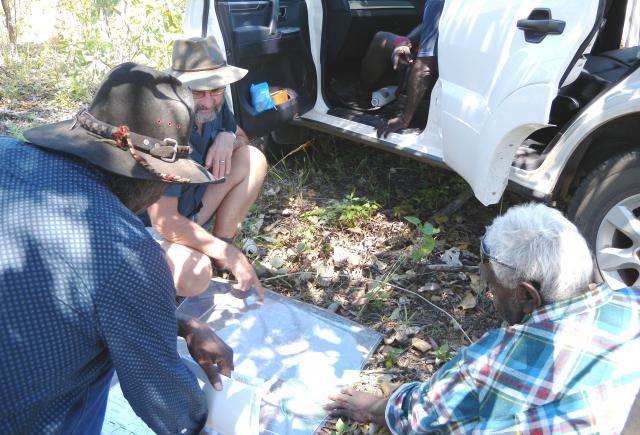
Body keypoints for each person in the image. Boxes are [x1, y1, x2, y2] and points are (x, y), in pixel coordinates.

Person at [0, 63, 235, 433]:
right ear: (151, 177)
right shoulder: (126, 254)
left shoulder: (5, 153)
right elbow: (169, 407)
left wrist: (176, 323)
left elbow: (47, 298)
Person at [325, 203, 640, 433]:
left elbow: (421, 417)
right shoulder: (633, 305)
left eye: (492, 285)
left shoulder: (491, 361)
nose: (489, 294)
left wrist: (372, 407)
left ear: (527, 295)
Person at [140, 36, 268, 298]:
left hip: (192, 208)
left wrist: (227, 137)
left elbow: (242, 138)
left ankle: (219, 249)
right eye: (198, 92)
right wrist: (231, 254)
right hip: (148, 230)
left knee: (253, 158)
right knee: (195, 275)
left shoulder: (215, 103)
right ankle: (215, 254)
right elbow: (163, 222)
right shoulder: (165, 127)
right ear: (179, 88)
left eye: (216, 90)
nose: (208, 102)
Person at [361, 0, 444, 138]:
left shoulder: (437, 3)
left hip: (438, 71)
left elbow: (425, 68)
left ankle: (362, 95)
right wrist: (404, 44)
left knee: (380, 39)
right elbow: (428, 28)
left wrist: (404, 119)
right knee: (383, 39)